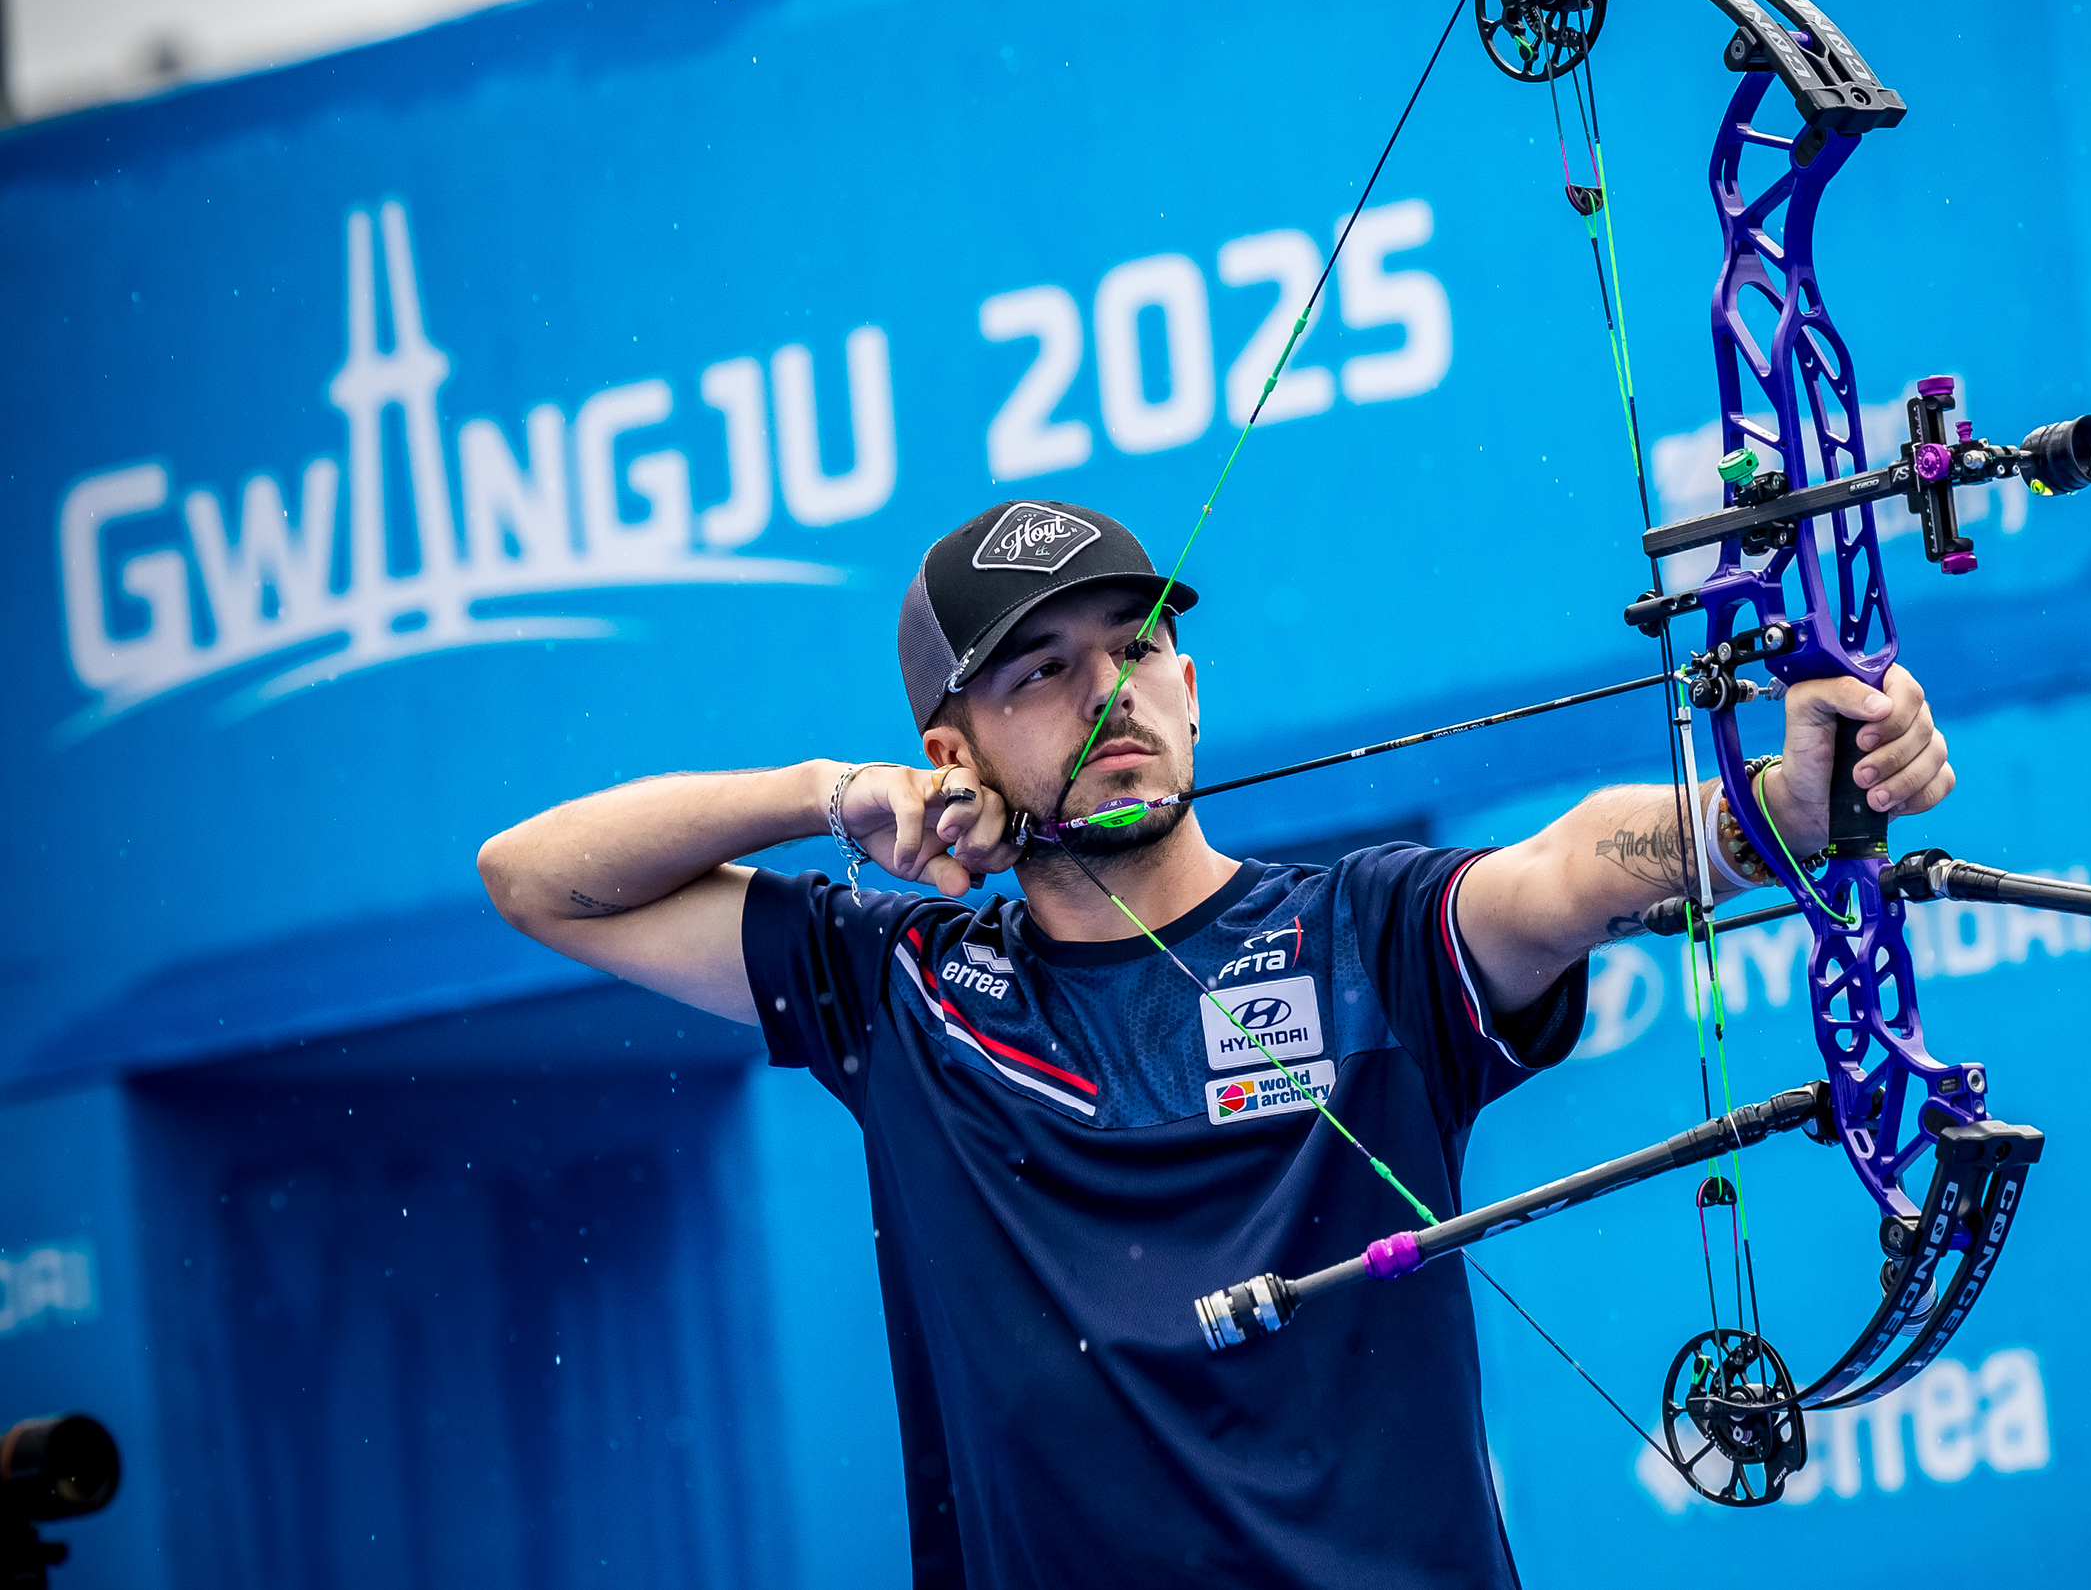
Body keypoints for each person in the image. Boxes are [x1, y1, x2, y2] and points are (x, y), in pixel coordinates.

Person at [478, 498, 1954, 1588]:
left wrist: (1774, 809)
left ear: (1192, 684)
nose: (1107, 689)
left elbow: (1574, 869)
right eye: (1037, 670)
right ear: (953, 753)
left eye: (1137, 645)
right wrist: (823, 797)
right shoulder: (901, 987)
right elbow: (536, 878)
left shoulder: (1364, 937)